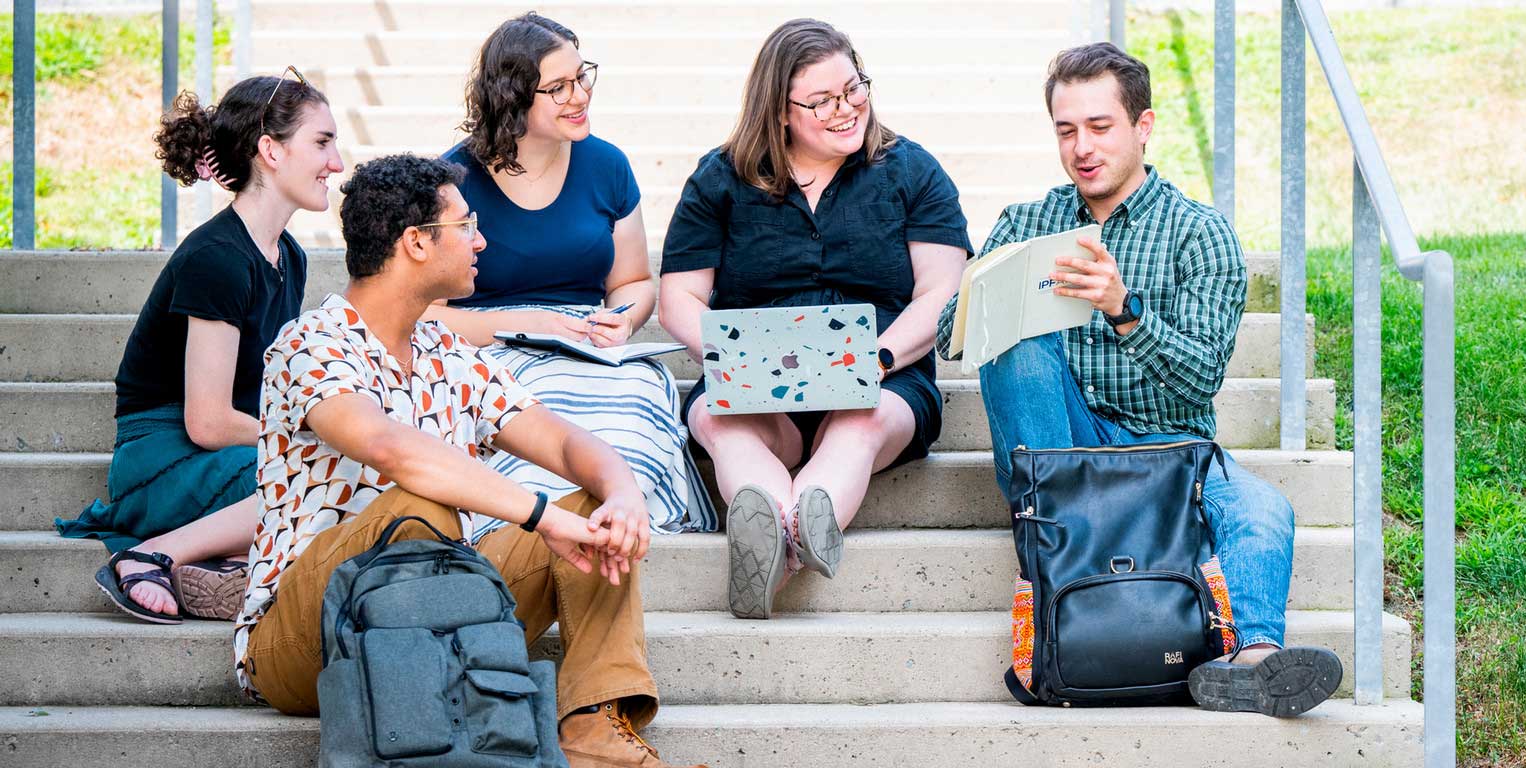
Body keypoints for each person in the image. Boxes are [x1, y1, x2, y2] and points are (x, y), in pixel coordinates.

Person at [236, 154, 705, 768]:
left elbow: (564, 442)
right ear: (416, 244)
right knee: (419, 502)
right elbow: (393, 451)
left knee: (593, 512)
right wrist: (542, 516)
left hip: (437, 611)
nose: (482, 240)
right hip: (309, 638)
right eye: (466, 226)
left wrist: (620, 492)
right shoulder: (311, 344)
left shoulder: (448, 353)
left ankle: (596, 739)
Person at [934, 43, 1343, 718]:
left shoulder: (1198, 233)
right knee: (1018, 346)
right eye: (1066, 131)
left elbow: (1201, 381)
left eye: (1100, 127)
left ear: (1143, 126)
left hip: (1168, 453)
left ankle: (1255, 660)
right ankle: (1056, 542)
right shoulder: (1028, 220)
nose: (1081, 148)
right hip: (1058, 450)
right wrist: (1003, 291)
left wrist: (1124, 312)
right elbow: (956, 339)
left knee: (1263, 509)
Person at [659, 18, 971, 619]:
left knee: (859, 423)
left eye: (854, 89)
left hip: (883, 371)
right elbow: (679, 298)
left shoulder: (912, 171)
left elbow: (942, 291)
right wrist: (732, 359)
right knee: (725, 424)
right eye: (821, 101)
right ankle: (779, 527)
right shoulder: (720, 178)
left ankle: (792, 525)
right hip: (753, 376)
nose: (845, 109)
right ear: (778, 110)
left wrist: (875, 360)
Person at [57, 68, 342, 624]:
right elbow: (207, 422)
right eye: (322, 142)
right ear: (270, 150)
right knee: (322, 472)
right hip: (164, 456)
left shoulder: (290, 256)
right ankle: (153, 555)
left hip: (229, 453)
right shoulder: (218, 258)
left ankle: (229, 563)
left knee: (342, 471)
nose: (335, 162)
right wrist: (314, 433)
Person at [426, 12, 711, 539]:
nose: (579, 95)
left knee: (639, 393)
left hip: (591, 344)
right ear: (511, 98)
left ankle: (619, 516)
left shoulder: (607, 166)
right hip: (494, 351)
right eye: (557, 87)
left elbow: (633, 281)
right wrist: (533, 321)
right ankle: (542, 527)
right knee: (534, 410)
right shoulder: (454, 179)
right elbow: (427, 314)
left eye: (582, 77)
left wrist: (622, 319)